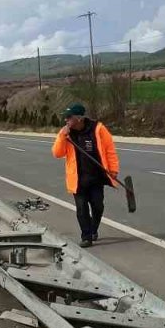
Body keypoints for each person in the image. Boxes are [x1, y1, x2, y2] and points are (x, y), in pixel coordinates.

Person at [51, 103, 119, 247]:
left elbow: (110, 151)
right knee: (82, 209)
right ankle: (86, 236)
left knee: (98, 206)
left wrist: (113, 170)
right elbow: (57, 153)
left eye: (68, 118)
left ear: (79, 118)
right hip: (78, 179)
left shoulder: (98, 129)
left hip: (96, 178)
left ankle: (94, 229)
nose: (66, 120)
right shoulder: (66, 133)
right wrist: (62, 136)